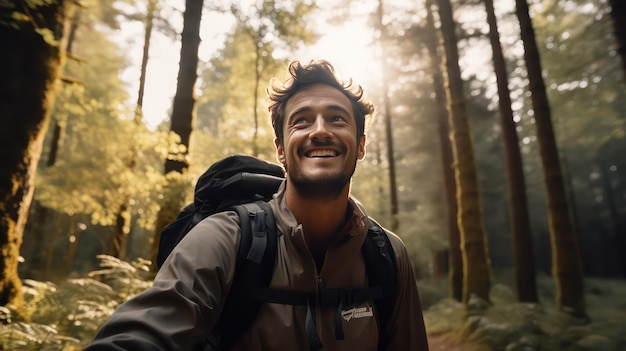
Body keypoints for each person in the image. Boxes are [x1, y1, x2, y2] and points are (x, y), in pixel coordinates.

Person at [85, 60, 429, 351]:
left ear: (361, 144)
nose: (320, 131)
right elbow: (140, 335)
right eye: (302, 120)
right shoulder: (226, 238)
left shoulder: (387, 254)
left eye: (337, 119)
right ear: (281, 149)